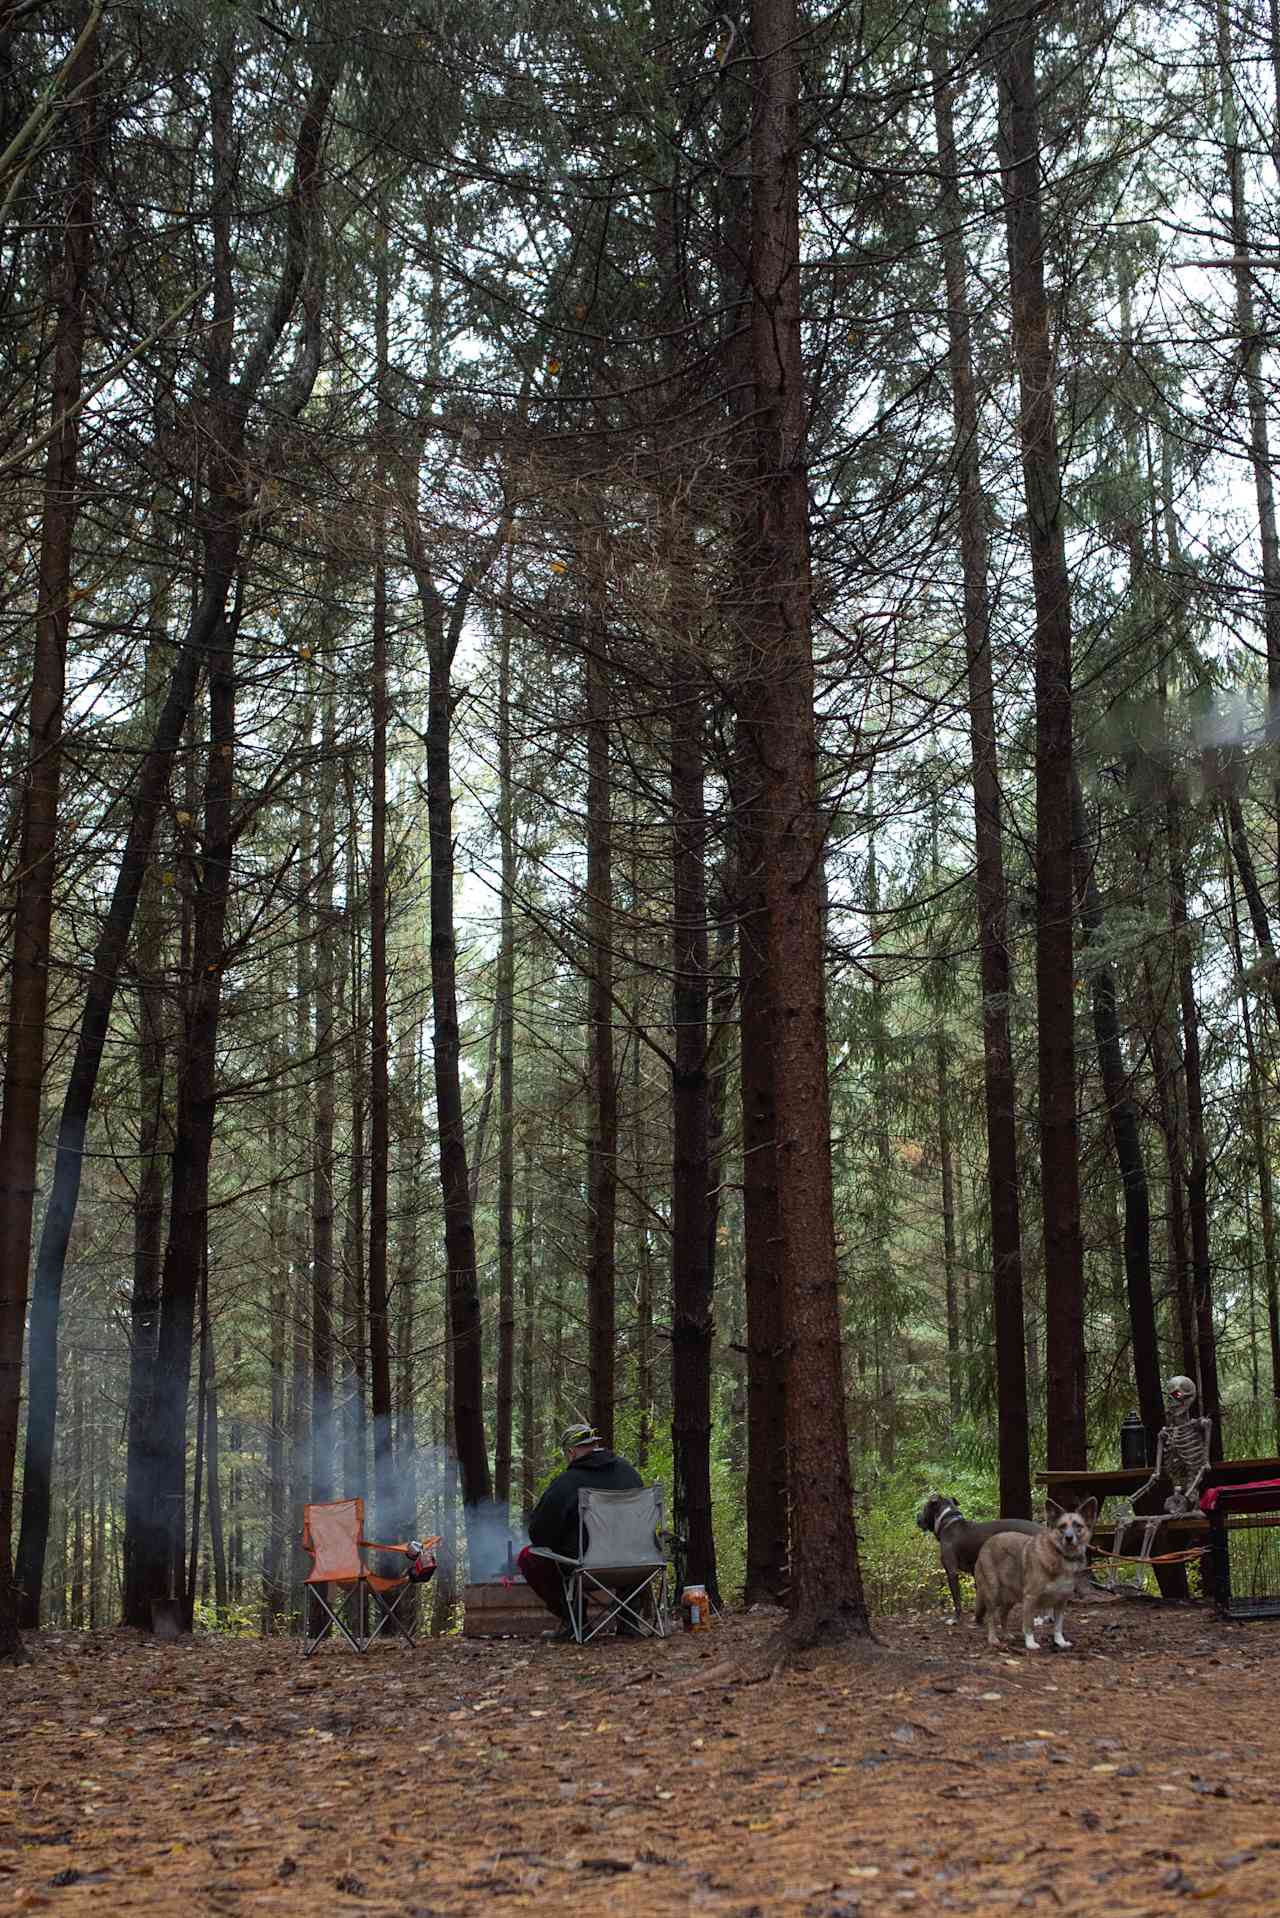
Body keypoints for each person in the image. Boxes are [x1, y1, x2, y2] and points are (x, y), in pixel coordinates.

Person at [518, 1422, 643, 1638]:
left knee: (528, 1557)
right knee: (631, 1542)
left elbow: (538, 1534)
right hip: (638, 1565)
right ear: (594, 1445)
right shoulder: (629, 1472)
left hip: (589, 1568)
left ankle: (575, 1620)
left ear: (571, 1452)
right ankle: (629, 1619)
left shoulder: (566, 1483)